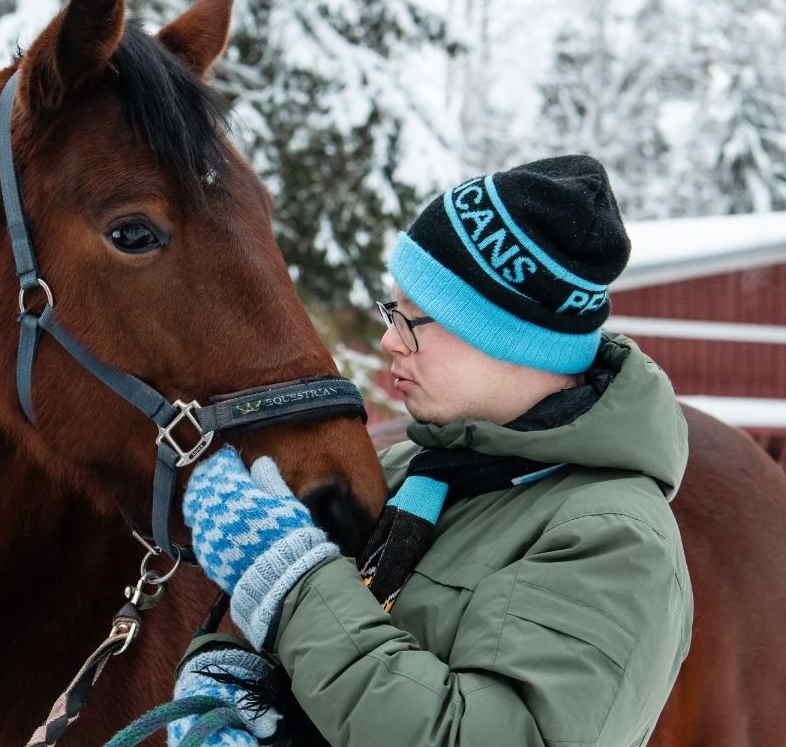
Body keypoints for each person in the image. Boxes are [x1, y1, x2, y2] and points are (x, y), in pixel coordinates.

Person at [168, 155, 692, 747]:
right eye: (391, 310)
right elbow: (309, 657)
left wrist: (296, 586)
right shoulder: (404, 472)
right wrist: (227, 670)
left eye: (414, 318)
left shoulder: (615, 541)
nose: (390, 339)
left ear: (510, 339)